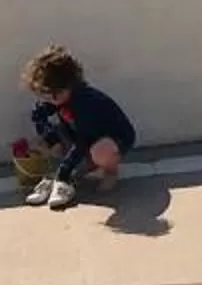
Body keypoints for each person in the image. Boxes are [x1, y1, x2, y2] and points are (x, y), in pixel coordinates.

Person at [19, 45, 135, 208]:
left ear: (69, 85)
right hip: (83, 138)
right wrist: (50, 137)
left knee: (100, 151)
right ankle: (61, 175)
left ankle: (109, 171)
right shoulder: (60, 99)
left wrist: (64, 172)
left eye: (55, 94)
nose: (51, 98)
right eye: (46, 93)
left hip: (111, 139)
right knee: (44, 141)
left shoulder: (86, 102)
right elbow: (40, 116)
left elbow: (83, 141)